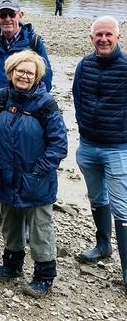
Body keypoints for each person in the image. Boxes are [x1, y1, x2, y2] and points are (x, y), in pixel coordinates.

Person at [0, 50, 67, 297]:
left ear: (37, 76)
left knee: (41, 228)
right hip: (4, 175)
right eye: (20, 71)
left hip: (37, 179)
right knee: (10, 222)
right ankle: (12, 265)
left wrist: (37, 172)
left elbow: (59, 144)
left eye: (30, 72)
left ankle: (44, 275)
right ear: (11, 72)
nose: (24, 76)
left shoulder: (45, 103)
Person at [0, 0, 53, 228]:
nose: (7, 19)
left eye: (12, 14)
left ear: (21, 15)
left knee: (22, 159)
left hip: (24, 110)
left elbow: (45, 78)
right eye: (3, 15)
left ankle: (25, 215)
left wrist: (34, 108)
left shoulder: (35, 41)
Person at [73, 16, 127, 291]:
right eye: (99, 35)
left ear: (118, 37)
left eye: (109, 34)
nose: (103, 39)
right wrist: (83, 126)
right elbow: (76, 97)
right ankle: (103, 244)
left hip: (118, 148)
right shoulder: (84, 65)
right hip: (88, 145)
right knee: (97, 197)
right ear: (91, 37)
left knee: (123, 207)